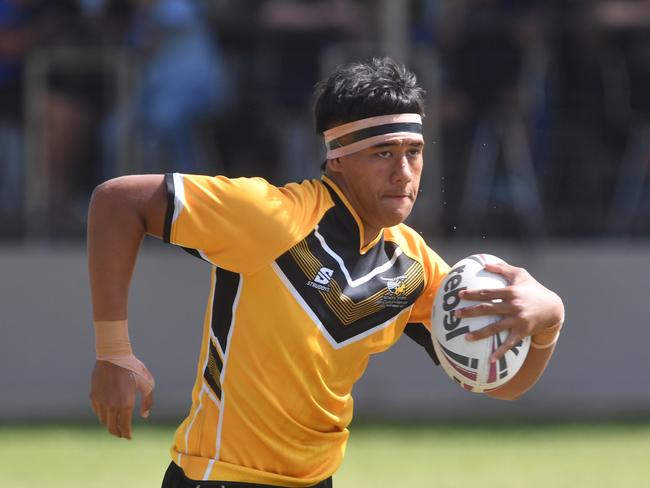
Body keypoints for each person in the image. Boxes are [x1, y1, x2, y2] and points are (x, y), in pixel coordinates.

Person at [87, 57, 565, 487]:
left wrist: (550, 320)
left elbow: (501, 385)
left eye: (413, 152)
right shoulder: (272, 218)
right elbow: (116, 201)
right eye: (384, 153)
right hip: (218, 477)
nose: (404, 172)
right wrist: (113, 352)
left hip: (318, 482)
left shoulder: (413, 265)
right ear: (336, 155)